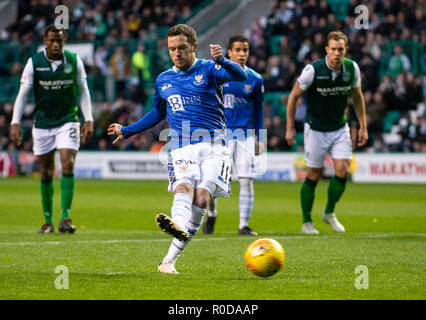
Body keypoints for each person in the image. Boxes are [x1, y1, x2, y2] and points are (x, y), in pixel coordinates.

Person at [108, 24, 246, 274]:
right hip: (182, 146)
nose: (177, 53)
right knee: (183, 187)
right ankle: (177, 227)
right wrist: (127, 131)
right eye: (172, 49)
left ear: (194, 47)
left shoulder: (209, 69)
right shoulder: (164, 79)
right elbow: (158, 112)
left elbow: (240, 76)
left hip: (215, 145)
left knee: (202, 198)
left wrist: (222, 60)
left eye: (182, 48)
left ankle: (169, 259)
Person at [9, 25, 94, 234]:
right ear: (45, 41)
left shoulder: (74, 60)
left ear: (64, 41)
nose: (56, 44)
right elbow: (23, 94)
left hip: (68, 120)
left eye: (60, 41)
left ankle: (65, 218)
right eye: (52, 41)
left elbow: (83, 91)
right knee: (46, 171)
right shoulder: (34, 63)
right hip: (43, 123)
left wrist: (89, 118)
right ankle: (48, 220)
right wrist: (15, 121)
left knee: (67, 163)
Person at [285, 31, 368, 234]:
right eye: (333, 49)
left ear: (346, 50)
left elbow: (358, 97)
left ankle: (329, 212)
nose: (337, 53)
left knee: (343, 170)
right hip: (316, 129)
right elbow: (293, 97)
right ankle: (306, 221)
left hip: (340, 127)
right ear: (327, 50)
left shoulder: (352, 68)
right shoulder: (312, 70)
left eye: (341, 49)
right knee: (314, 174)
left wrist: (363, 126)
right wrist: (289, 128)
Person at [202, 35, 264, 236]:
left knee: (246, 180)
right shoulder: (218, 74)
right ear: (229, 52)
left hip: (246, 136)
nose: (242, 54)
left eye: (245, 50)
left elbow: (259, 111)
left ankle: (243, 225)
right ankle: (212, 213)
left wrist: (260, 138)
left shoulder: (255, 79)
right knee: (214, 179)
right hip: (221, 134)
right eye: (237, 50)